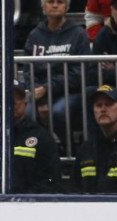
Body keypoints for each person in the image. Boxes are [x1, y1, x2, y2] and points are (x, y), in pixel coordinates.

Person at [24, 0, 91, 138]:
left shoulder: (78, 34)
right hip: (40, 93)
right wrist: (41, 98)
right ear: (43, 7)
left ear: (66, 7)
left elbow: (79, 73)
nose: (55, 5)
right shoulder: (35, 35)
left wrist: (48, 88)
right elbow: (28, 71)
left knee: (59, 112)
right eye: (50, 2)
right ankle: (39, 150)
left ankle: (67, 149)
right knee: (27, 113)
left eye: (60, 2)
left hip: (70, 91)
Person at [72, 84, 117, 192]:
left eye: (108, 104)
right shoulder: (87, 148)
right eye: (98, 105)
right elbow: (74, 187)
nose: (103, 109)